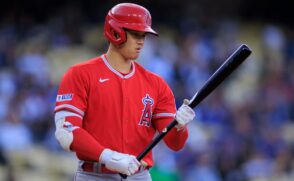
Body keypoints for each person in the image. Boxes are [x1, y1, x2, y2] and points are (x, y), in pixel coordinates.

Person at [54, 2, 195, 181]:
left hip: (140, 175)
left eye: (144, 35)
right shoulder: (80, 74)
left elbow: (175, 143)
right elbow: (66, 132)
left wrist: (180, 126)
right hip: (95, 174)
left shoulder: (156, 84)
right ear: (115, 32)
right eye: (136, 34)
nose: (142, 41)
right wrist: (109, 157)